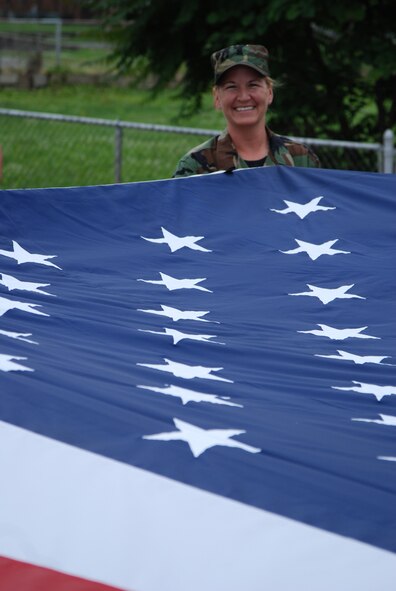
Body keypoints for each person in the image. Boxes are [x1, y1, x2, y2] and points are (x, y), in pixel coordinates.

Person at [173, 44, 319, 177]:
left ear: (269, 93)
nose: (243, 97)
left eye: (253, 85)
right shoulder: (195, 167)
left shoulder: (300, 159)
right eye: (231, 87)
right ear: (217, 97)